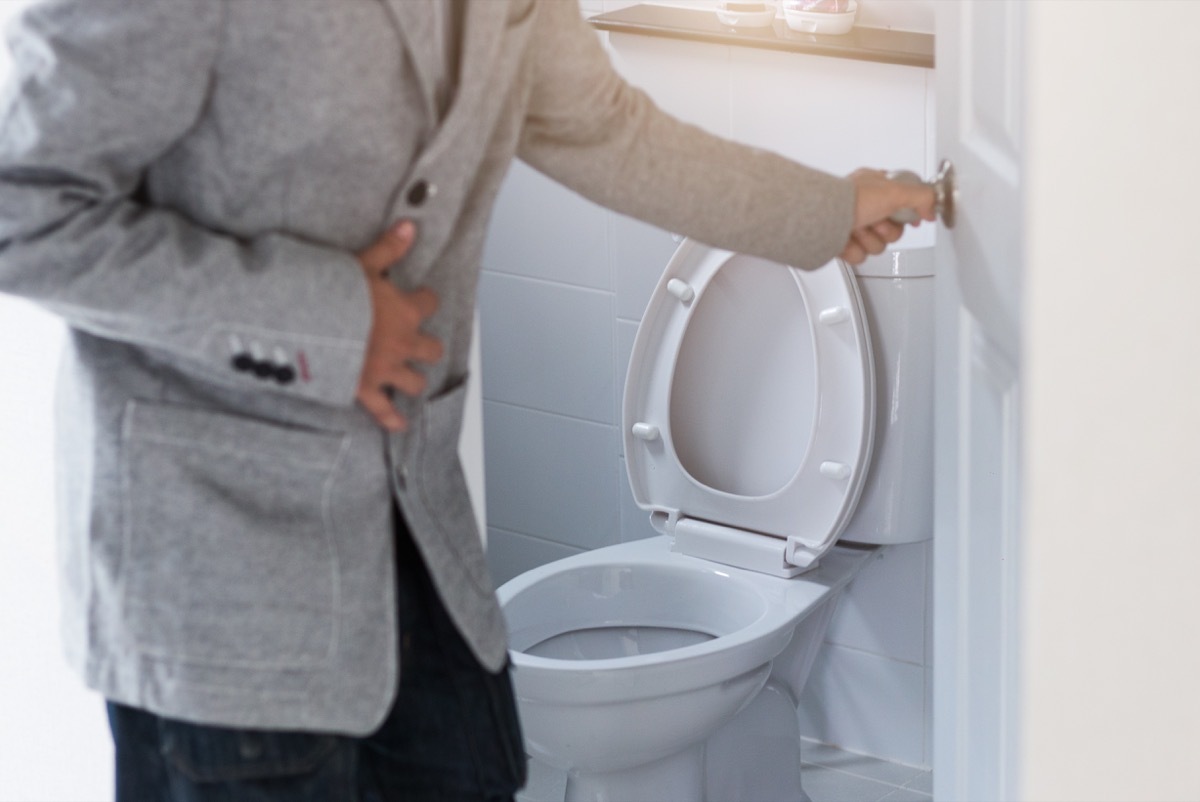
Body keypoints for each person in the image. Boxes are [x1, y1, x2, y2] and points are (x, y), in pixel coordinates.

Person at [0, 0, 936, 800]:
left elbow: (599, 128)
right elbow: (21, 205)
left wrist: (820, 209)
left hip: (421, 546)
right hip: (223, 569)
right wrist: (326, 322)